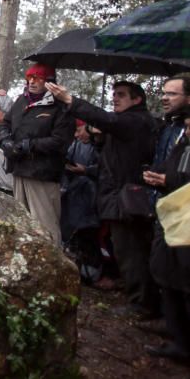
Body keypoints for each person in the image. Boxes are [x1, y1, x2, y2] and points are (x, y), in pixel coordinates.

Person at [47, 79, 159, 319]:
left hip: (125, 198)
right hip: (117, 196)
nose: (115, 98)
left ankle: (142, 306)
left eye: (121, 95)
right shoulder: (130, 123)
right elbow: (112, 153)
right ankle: (139, 299)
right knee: (125, 249)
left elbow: (108, 121)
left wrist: (70, 100)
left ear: (137, 99)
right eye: (114, 94)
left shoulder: (135, 120)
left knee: (131, 252)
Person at [0, 64, 73, 245]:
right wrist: (5, 141)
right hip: (18, 170)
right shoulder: (21, 101)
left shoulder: (60, 106)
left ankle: (55, 267)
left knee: (46, 227)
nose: (32, 82)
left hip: (43, 174)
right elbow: (5, 124)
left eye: (38, 78)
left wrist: (28, 145)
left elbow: (61, 141)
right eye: (30, 77)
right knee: (22, 224)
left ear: (49, 82)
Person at [143, 81, 190, 364]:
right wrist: (157, 177)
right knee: (167, 276)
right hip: (172, 216)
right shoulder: (177, 133)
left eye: (171, 93)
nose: (164, 98)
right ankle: (178, 341)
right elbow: (172, 167)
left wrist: (169, 180)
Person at [61, 120, 102, 283]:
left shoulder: (100, 145)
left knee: (90, 236)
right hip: (75, 194)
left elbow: (106, 168)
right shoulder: (76, 145)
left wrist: (87, 170)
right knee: (76, 235)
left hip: (92, 197)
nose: (77, 135)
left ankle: (93, 273)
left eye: (79, 131)